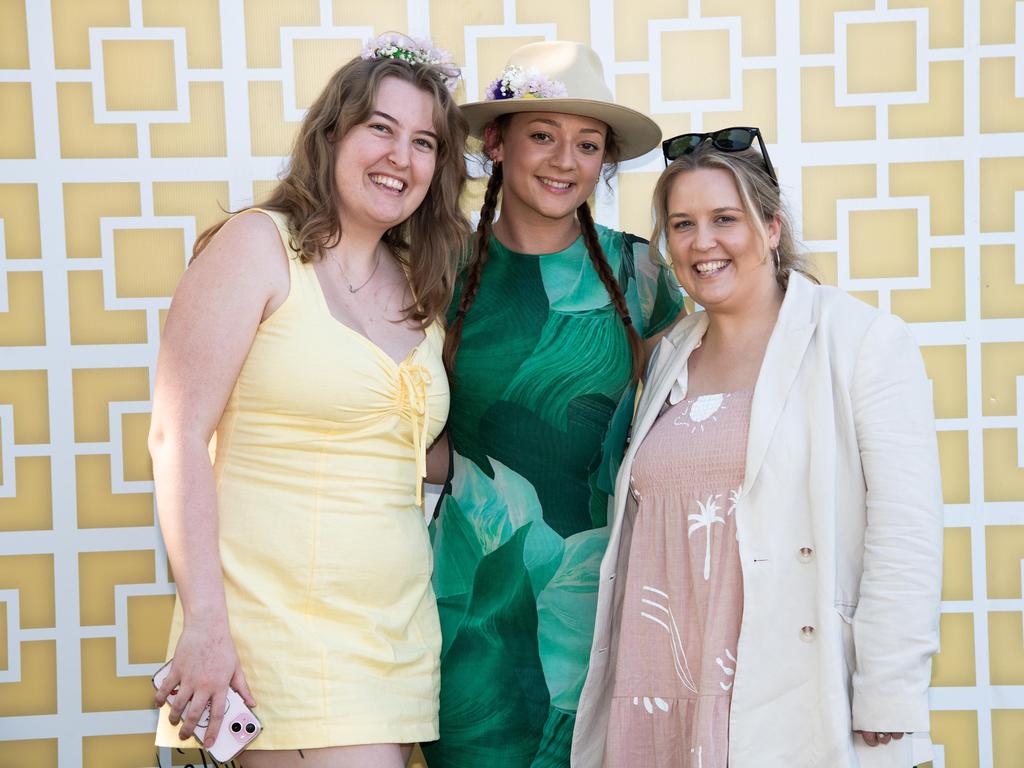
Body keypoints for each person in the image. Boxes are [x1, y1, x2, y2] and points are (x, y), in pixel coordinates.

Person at [572, 128, 943, 767]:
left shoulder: (860, 341)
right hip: (661, 685)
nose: (702, 242)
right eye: (681, 224)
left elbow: (906, 532)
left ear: (771, 228)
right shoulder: (668, 354)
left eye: (725, 219)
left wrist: (888, 691)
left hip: (789, 686)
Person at [149, 33, 470, 768]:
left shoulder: (418, 289)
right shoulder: (257, 248)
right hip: (281, 640)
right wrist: (205, 625)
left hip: (395, 640)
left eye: (424, 142)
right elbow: (177, 433)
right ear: (332, 135)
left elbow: (404, 453)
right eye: (380, 129)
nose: (401, 156)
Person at [422, 41, 685, 767]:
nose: (566, 161)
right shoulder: (435, 267)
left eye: (588, 144)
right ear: (496, 144)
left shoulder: (644, 273)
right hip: (471, 601)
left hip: (612, 604)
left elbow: (682, 427)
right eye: (543, 135)